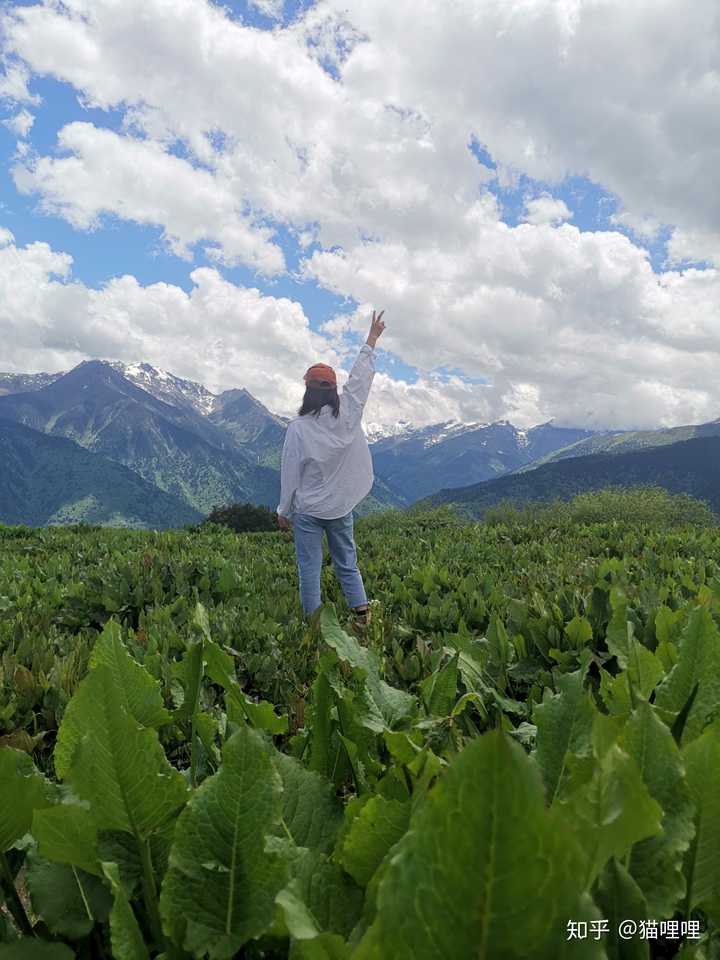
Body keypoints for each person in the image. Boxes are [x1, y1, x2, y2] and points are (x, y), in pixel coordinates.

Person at [277, 309, 386, 629]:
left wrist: (284, 509)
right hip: (340, 507)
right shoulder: (348, 415)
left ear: (308, 389)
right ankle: (363, 616)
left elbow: (290, 473)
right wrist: (371, 339)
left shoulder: (298, 427)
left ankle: (314, 626)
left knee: (308, 569)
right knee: (347, 563)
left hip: (308, 510)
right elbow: (360, 382)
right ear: (334, 390)